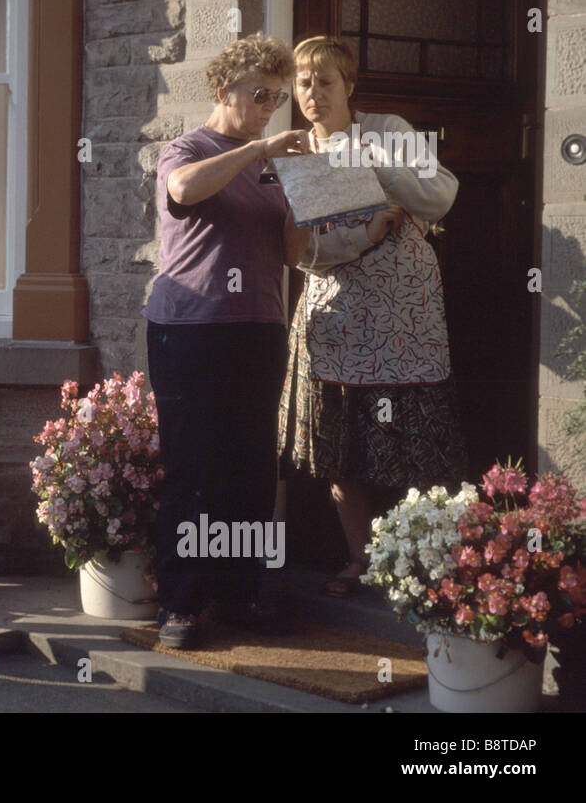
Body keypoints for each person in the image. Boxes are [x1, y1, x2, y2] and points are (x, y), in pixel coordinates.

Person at [278, 35, 467, 597]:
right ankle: (360, 558)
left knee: (416, 440)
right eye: (304, 83)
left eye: (326, 81)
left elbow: (441, 195)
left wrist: (381, 170)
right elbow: (300, 252)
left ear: (349, 86)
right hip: (335, 315)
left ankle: (424, 561)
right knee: (342, 444)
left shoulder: (388, 131)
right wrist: (365, 233)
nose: (314, 93)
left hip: (403, 313)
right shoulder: (294, 154)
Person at [144, 33, 312, 649]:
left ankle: (239, 595)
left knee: (250, 468)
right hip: (191, 329)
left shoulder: (271, 164)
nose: (270, 105)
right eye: (259, 94)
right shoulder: (187, 147)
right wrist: (259, 150)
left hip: (259, 327)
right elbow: (185, 191)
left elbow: (293, 254)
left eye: (277, 96)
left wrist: (303, 198)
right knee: (194, 467)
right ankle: (181, 605)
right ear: (222, 90)